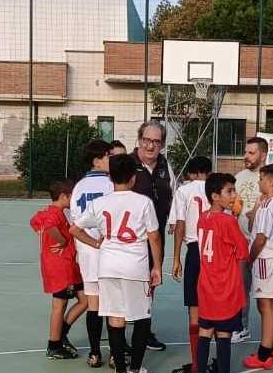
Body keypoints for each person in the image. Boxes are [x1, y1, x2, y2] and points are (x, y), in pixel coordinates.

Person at [70, 154, 163, 373]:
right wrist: (157, 266)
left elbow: (74, 229)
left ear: (111, 177)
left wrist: (95, 243)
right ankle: (136, 368)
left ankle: (120, 368)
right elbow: (154, 236)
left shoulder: (100, 202)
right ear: (133, 178)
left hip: (108, 267)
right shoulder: (143, 202)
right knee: (141, 318)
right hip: (135, 267)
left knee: (115, 318)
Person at [196, 173, 250, 373]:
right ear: (215, 196)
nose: (234, 195)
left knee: (205, 330)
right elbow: (243, 250)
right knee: (224, 333)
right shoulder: (227, 221)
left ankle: (200, 369)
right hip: (224, 286)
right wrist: (235, 217)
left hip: (206, 285)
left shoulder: (203, 217)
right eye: (229, 191)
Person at [69, 139, 116, 367]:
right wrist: (101, 242)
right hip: (109, 253)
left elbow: (76, 224)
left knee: (94, 305)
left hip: (88, 254)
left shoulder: (78, 187)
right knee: (114, 306)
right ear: (97, 161)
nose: (111, 159)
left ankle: (95, 353)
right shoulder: (111, 185)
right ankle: (115, 355)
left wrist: (91, 242)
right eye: (108, 155)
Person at [29, 179, 87, 360]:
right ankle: (54, 344)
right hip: (61, 266)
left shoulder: (49, 211)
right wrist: (61, 240)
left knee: (85, 299)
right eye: (72, 197)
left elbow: (35, 221)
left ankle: (60, 335)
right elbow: (48, 226)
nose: (74, 201)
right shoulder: (54, 214)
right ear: (64, 196)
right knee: (59, 305)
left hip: (65, 265)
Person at [130, 120, 175, 351]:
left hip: (156, 237)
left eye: (156, 142)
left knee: (151, 283)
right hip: (130, 240)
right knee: (126, 284)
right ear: (139, 140)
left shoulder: (165, 166)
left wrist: (174, 220)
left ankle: (144, 329)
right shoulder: (127, 165)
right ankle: (118, 335)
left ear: (162, 145)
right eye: (147, 140)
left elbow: (173, 195)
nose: (150, 146)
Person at [243, 163, 273, 369]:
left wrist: (250, 259)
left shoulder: (270, 205)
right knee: (272, 303)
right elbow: (254, 226)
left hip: (265, 259)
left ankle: (264, 354)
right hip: (272, 258)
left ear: (271, 182)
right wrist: (255, 208)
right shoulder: (270, 203)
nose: (258, 182)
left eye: (261, 179)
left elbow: (260, 239)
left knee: (265, 305)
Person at [170, 156, 213, 373]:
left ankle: (197, 363)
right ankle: (214, 359)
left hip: (195, 251)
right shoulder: (217, 188)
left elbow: (179, 225)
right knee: (214, 307)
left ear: (192, 173)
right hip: (215, 253)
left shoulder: (184, 191)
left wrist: (176, 257)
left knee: (194, 309)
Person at [231, 137, 268, 343]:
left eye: (251, 153)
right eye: (245, 152)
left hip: (265, 244)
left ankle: (272, 334)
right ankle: (242, 326)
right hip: (242, 241)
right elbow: (233, 204)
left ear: (262, 155)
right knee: (241, 286)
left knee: (266, 295)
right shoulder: (239, 177)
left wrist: (261, 212)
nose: (246, 156)